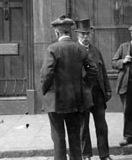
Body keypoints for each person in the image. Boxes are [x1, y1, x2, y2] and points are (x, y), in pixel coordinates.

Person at [40, 15, 97, 160]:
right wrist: (84, 86)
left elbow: (47, 73)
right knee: (75, 137)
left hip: (56, 101)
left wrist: (45, 91)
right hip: (76, 100)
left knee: (58, 137)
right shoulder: (79, 48)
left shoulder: (52, 49)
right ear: (69, 32)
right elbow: (92, 69)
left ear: (57, 32)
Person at [75, 19, 112, 160]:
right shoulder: (74, 50)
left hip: (97, 94)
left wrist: (107, 89)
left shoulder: (96, 50)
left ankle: (105, 155)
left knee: (101, 125)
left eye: (87, 34)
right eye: (82, 34)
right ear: (77, 35)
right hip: (83, 94)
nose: (85, 37)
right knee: (83, 126)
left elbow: (103, 71)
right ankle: (86, 155)